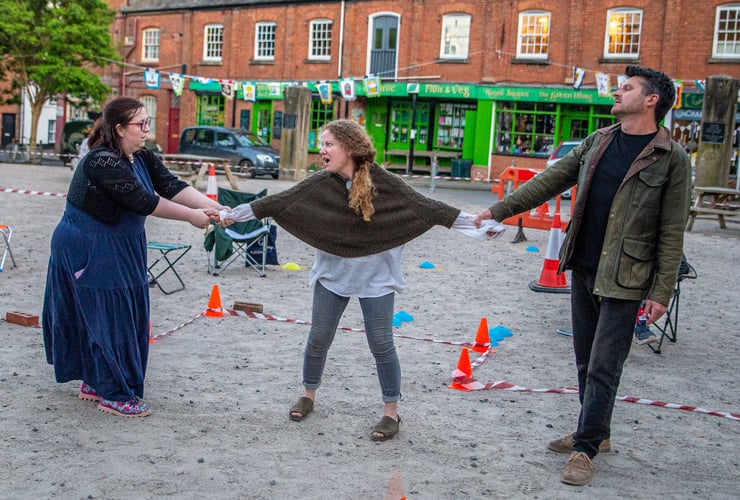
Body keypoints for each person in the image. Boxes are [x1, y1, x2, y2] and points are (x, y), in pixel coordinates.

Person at [475, 66, 691, 485]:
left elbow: (672, 231)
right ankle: (598, 433)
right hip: (584, 265)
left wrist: (662, 291)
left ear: (651, 100)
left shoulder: (672, 158)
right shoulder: (599, 141)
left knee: (605, 366)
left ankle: (585, 448)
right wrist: (497, 209)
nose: (618, 91)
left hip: (628, 276)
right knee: (584, 359)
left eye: (627, 88)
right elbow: (549, 181)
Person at [222, 119, 503, 441]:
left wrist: (478, 226)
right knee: (318, 339)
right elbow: (275, 203)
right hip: (333, 275)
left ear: (350, 148)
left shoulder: (386, 183)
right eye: (321, 143)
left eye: (328, 144)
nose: (321, 150)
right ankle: (308, 394)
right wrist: (230, 214)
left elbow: (429, 208)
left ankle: (391, 413)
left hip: (376, 278)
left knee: (381, 344)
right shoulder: (319, 183)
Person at [43, 97, 226, 418]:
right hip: (88, 247)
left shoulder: (141, 156)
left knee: (121, 313)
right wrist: (191, 217)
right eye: (140, 124)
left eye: (147, 123)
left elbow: (171, 185)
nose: (146, 130)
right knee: (107, 317)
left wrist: (215, 208)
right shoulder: (101, 162)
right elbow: (144, 201)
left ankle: (97, 380)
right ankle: (113, 393)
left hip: (118, 247)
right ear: (119, 128)